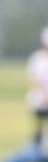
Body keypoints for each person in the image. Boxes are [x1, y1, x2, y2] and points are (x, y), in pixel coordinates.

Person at [27, 26, 48, 154]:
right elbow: (33, 78)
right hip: (39, 99)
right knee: (39, 128)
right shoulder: (37, 58)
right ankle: (36, 153)